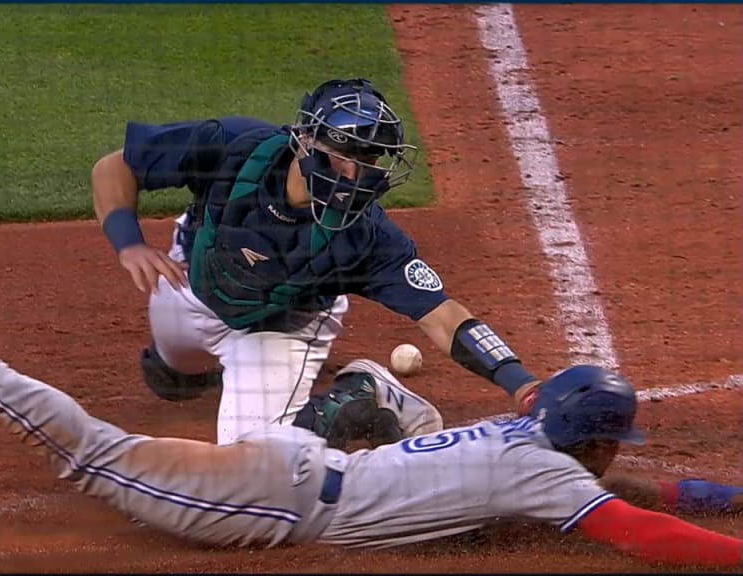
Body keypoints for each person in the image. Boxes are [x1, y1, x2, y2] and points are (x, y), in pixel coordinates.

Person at [0, 305, 743, 566]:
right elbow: (640, 529)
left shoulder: (523, 442)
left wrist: (733, 500)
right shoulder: (554, 484)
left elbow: (637, 498)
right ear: (599, 445)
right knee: (98, 458)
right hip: (271, 500)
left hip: (298, 467)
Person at [90, 77, 544, 446]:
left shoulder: (368, 236)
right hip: (190, 282)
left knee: (255, 456)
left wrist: (522, 384)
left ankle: (364, 392)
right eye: (345, 152)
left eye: (370, 158)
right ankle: (229, 375)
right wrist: (129, 243)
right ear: (306, 140)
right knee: (171, 379)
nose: (357, 171)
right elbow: (116, 166)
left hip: (283, 325)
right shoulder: (235, 146)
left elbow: (443, 316)